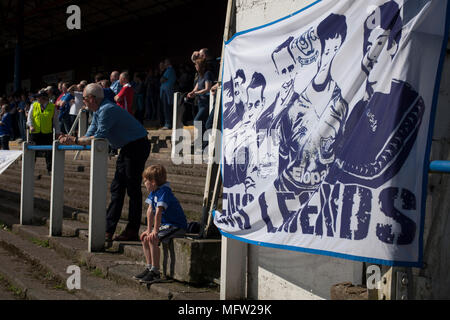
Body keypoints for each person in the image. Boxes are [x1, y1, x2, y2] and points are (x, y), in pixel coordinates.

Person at [59, 83, 150, 241]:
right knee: (117, 188)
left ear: (92, 99)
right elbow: (90, 134)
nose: (84, 102)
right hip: (127, 147)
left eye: (85, 99)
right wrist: (75, 140)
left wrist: (75, 139)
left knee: (132, 188)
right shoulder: (97, 112)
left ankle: (131, 230)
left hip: (136, 145)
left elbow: (99, 136)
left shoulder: (107, 110)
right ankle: (107, 230)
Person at [133, 164, 187, 283]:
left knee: (153, 239)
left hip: (176, 225)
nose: (144, 183)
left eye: (145, 181)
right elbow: (149, 210)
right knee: (145, 238)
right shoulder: (154, 191)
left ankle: (155, 271)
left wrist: (155, 231)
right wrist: (149, 229)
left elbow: (158, 212)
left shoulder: (164, 192)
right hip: (166, 225)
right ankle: (149, 267)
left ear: (152, 182)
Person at [27, 90, 60, 174]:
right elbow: (29, 118)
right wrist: (30, 126)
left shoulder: (52, 107)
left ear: (44, 98)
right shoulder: (34, 105)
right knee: (31, 152)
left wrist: (57, 132)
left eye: (39, 97)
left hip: (47, 133)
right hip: (34, 133)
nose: (37, 98)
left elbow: (56, 121)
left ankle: (50, 170)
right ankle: (29, 169)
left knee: (49, 152)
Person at [187, 58, 213, 145]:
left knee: (197, 120)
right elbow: (195, 89)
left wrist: (196, 93)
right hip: (200, 103)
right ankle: (203, 141)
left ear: (200, 66)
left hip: (206, 103)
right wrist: (191, 93)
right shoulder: (200, 76)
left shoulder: (207, 74)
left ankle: (200, 139)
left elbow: (207, 88)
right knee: (203, 122)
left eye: (196, 64)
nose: (195, 66)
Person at [159, 58, 177, 130]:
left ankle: (168, 124)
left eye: (165, 63)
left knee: (167, 108)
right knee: (166, 108)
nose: (164, 64)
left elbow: (162, 79)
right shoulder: (168, 70)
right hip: (166, 91)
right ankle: (167, 123)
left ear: (169, 63)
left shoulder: (170, 70)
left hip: (167, 92)